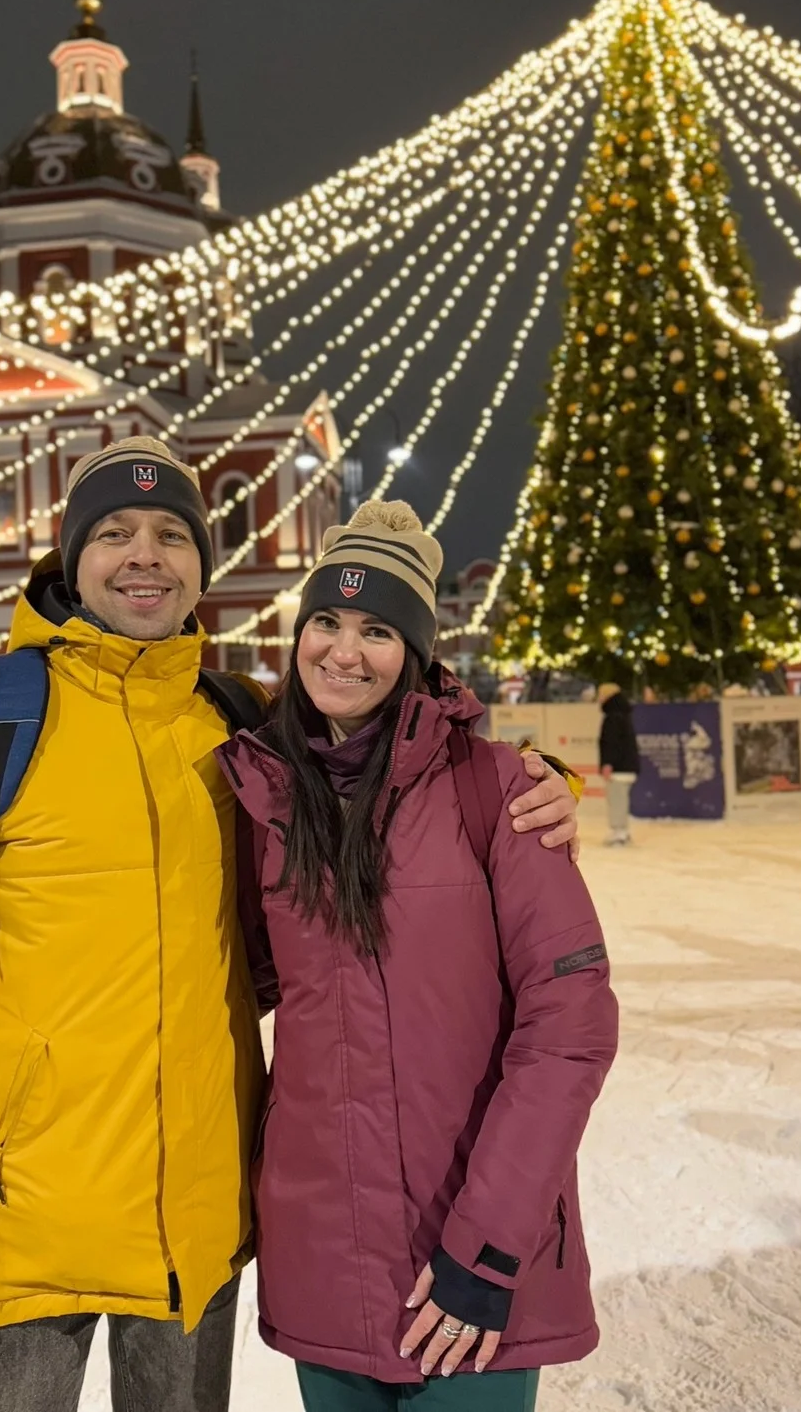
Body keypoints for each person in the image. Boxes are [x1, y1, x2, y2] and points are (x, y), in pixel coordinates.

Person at [0, 437, 580, 1412]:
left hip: (195, 1227)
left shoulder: (238, 724)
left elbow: (391, 750)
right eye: (117, 532)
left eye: (173, 532)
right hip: (16, 1226)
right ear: (71, 556)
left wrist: (541, 784)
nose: (146, 554)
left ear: (201, 564)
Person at [217, 501, 618, 1411]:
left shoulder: (500, 792)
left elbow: (572, 1028)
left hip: (474, 1265)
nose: (344, 650)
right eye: (325, 620)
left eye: (377, 629)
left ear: (421, 653)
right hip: (323, 1258)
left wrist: (489, 1249)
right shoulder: (266, 801)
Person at [597, 682, 639, 847]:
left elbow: (611, 743)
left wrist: (608, 763)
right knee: (620, 800)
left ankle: (619, 833)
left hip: (619, 768)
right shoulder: (623, 714)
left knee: (617, 800)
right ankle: (622, 831)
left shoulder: (613, 717)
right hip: (627, 766)